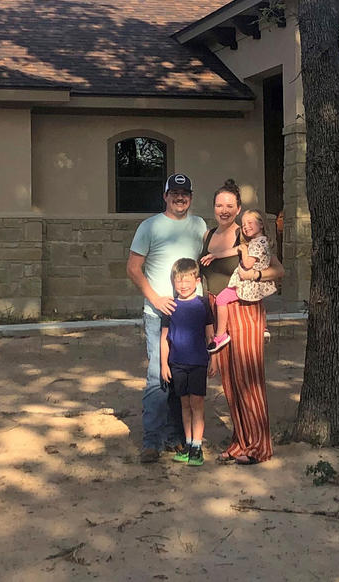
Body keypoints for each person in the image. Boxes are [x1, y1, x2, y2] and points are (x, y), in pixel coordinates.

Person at [198, 179, 285, 465]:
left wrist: (255, 276)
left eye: (229, 206)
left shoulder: (246, 237)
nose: (224, 210)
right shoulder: (209, 235)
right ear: (214, 207)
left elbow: (278, 270)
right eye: (219, 205)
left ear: (238, 209)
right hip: (217, 311)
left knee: (249, 379)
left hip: (244, 309)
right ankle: (241, 442)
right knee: (230, 382)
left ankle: (260, 446)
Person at [127, 173, 208, 464]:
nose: (179, 197)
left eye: (184, 193)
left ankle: (178, 438)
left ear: (190, 196)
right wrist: (155, 298)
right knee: (156, 377)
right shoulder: (149, 226)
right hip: (158, 314)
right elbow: (134, 268)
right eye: (174, 192)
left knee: (181, 376)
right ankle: (152, 441)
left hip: (190, 316)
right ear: (165, 196)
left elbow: (206, 263)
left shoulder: (199, 225)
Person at [160, 258, 216, 467]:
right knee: (184, 404)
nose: (183, 285)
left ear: (197, 280)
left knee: (197, 404)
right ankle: (188, 443)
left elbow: (211, 336)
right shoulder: (170, 306)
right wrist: (164, 364)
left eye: (187, 280)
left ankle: (197, 447)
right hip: (177, 363)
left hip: (198, 363)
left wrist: (215, 360)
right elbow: (164, 338)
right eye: (179, 281)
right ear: (173, 282)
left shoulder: (202, 304)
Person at [203, 209, 278, 352]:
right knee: (258, 304)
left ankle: (221, 335)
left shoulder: (258, 243)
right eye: (243, 224)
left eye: (250, 223)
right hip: (253, 284)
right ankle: (263, 327)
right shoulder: (254, 242)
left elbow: (248, 264)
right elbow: (233, 250)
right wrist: (215, 255)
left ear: (261, 224)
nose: (246, 226)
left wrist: (243, 250)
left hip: (247, 283)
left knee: (221, 299)